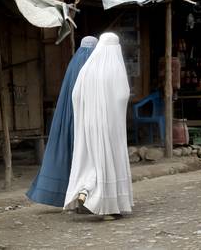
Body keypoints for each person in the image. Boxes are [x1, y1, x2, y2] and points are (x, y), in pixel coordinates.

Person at [64, 32, 133, 220]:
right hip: (110, 126)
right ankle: (108, 207)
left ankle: (85, 192)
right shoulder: (114, 68)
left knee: (91, 161)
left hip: (88, 125)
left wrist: (86, 115)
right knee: (108, 161)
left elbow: (75, 95)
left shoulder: (88, 68)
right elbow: (122, 95)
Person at [26, 36, 98, 207]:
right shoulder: (93, 64)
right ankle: (86, 197)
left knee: (73, 156)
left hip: (70, 119)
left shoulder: (74, 63)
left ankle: (71, 197)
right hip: (85, 121)